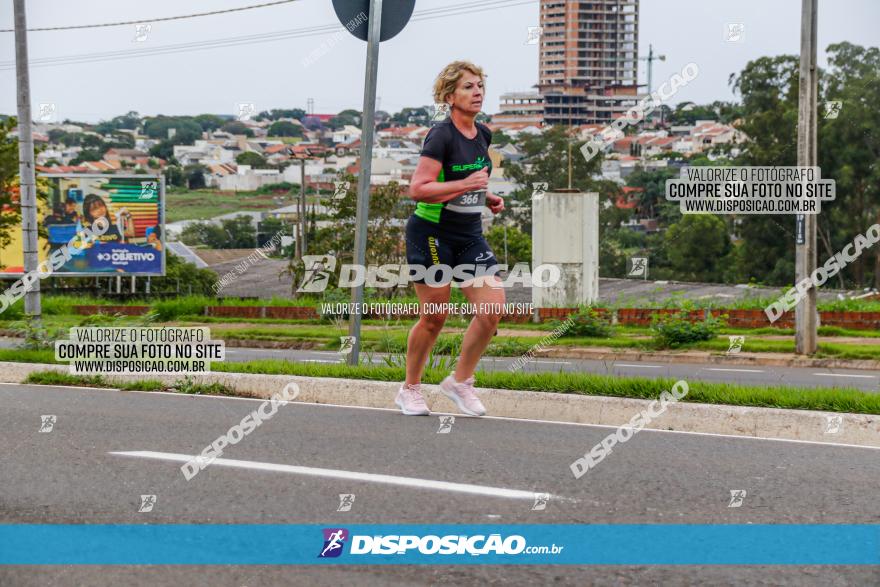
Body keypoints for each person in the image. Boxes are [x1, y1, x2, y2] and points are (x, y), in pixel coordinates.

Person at [395, 60, 505, 417]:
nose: (477, 92)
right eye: (468, 87)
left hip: (469, 232)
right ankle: (409, 389)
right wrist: (467, 185)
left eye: (480, 86)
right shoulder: (440, 135)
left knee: (491, 309)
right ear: (449, 95)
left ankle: (460, 382)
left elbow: (470, 182)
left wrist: (486, 197)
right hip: (431, 233)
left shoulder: (483, 134)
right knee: (435, 316)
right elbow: (419, 189)